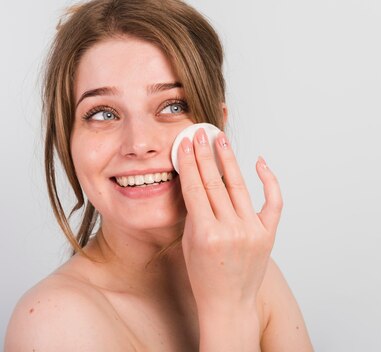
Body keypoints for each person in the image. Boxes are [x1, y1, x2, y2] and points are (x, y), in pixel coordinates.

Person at [4, 0, 314, 350]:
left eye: (173, 106)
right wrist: (228, 310)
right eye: (103, 113)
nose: (138, 144)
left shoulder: (248, 272)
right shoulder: (53, 322)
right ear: (67, 141)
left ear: (217, 125)